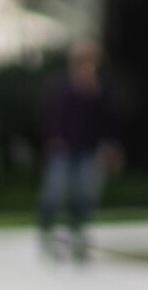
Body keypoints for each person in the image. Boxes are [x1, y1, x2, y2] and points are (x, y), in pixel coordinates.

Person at [38, 42, 123, 260]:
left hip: (88, 149)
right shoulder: (62, 85)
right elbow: (50, 114)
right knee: (54, 193)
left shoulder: (101, 87)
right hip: (63, 149)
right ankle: (47, 232)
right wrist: (53, 138)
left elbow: (108, 120)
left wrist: (110, 146)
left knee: (84, 194)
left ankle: (78, 235)